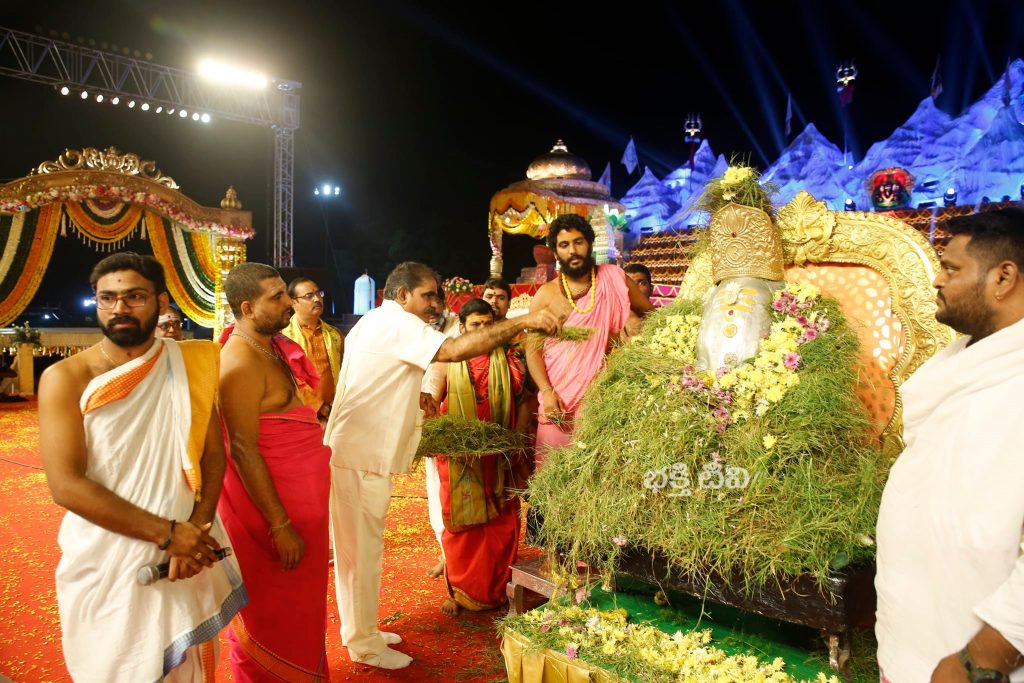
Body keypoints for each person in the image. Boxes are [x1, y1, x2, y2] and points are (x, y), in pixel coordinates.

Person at [323, 261, 567, 670]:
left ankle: (363, 629)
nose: (435, 305)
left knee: (364, 551)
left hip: (363, 454)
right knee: (358, 555)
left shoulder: (380, 321)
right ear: (401, 295)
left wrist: (419, 398)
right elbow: (452, 351)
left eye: (438, 296)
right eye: (427, 295)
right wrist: (524, 320)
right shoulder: (396, 322)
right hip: (360, 456)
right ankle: (362, 643)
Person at [38, 252, 245, 682]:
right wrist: (170, 535)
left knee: (184, 669)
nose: (119, 309)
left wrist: (197, 531)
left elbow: (211, 454)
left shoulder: (189, 363)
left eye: (133, 296)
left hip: (183, 552)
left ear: (162, 301)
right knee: (113, 666)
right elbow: (67, 486)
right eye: (106, 298)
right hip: (108, 555)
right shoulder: (65, 377)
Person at [875, 208, 1024, 683]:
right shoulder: (962, 363)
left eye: (952, 268)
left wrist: (977, 661)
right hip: (916, 642)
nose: (936, 280)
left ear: (1003, 278)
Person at [218, 262, 333, 682]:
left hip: (302, 517)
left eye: (287, 294)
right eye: (277, 297)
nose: (289, 303)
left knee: (303, 615)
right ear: (248, 308)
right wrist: (280, 525)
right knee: (273, 620)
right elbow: (243, 449)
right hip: (273, 525)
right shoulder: (239, 361)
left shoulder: (271, 345)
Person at [526, 214, 653, 466]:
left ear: (590, 244)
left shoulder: (614, 279)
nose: (573, 250)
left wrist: (632, 336)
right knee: (553, 485)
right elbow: (533, 352)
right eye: (564, 245)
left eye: (579, 242)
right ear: (555, 251)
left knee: (597, 482)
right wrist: (547, 392)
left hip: (602, 401)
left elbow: (650, 315)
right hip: (558, 405)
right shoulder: (546, 295)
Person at [432, 298, 529, 616]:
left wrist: (517, 440)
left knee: (499, 525)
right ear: (462, 328)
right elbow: (431, 401)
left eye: (489, 324)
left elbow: (524, 399)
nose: (484, 331)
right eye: (476, 325)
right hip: (462, 458)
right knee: (463, 528)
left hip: (500, 456)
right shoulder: (447, 358)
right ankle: (459, 592)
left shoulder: (511, 357)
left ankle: (498, 590)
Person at [281, 277, 344, 424]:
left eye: (318, 293)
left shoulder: (334, 334)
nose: (317, 299)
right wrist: (320, 407)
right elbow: (288, 379)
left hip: (333, 415)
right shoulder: (282, 337)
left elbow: (345, 371)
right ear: (293, 303)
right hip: (298, 415)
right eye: (309, 296)